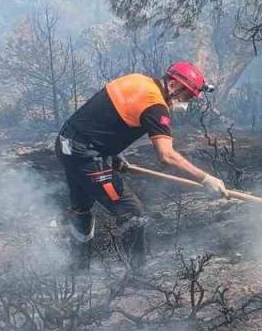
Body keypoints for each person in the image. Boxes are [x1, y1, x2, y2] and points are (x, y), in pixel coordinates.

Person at [54, 61, 228, 270]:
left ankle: (77, 272)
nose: (186, 101)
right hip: (85, 155)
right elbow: (167, 156)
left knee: (81, 208)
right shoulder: (156, 107)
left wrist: (111, 154)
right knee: (131, 211)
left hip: (68, 143)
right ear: (173, 85)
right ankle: (137, 274)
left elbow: (104, 117)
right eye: (187, 95)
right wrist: (205, 178)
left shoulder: (138, 80)